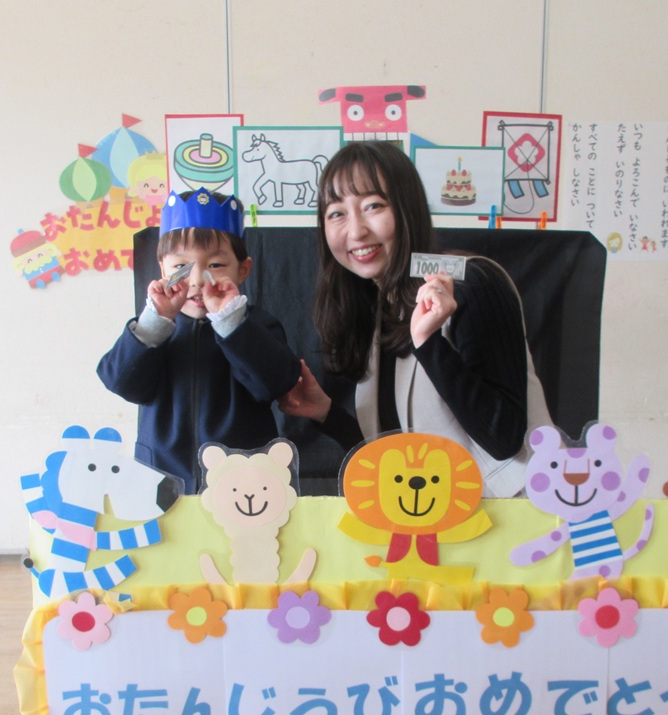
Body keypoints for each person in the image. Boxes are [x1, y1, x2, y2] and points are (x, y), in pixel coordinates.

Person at [279, 141, 550, 497]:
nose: (356, 231)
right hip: (434, 516)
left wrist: (429, 342)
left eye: (373, 206)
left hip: (516, 516)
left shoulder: (471, 282)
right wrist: (325, 413)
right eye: (337, 213)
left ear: (407, 208)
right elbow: (394, 456)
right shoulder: (379, 308)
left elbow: (505, 439)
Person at [97, 189, 301, 493]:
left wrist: (232, 324)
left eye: (215, 265)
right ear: (162, 268)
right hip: (161, 478)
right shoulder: (154, 327)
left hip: (244, 485)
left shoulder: (256, 325)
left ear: (243, 269)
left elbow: (276, 383)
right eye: (180, 266)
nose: (196, 280)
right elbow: (120, 382)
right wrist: (154, 322)